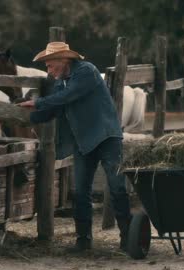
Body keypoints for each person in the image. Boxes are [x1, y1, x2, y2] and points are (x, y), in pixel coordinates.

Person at [18, 41, 132, 252]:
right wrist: (24, 115)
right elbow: (55, 108)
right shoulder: (62, 83)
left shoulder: (86, 71)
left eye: (50, 65)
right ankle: (83, 240)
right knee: (80, 192)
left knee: (116, 187)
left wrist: (39, 103)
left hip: (106, 136)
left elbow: (67, 97)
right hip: (84, 141)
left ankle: (128, 237)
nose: (48, 70)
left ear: (63, 60)